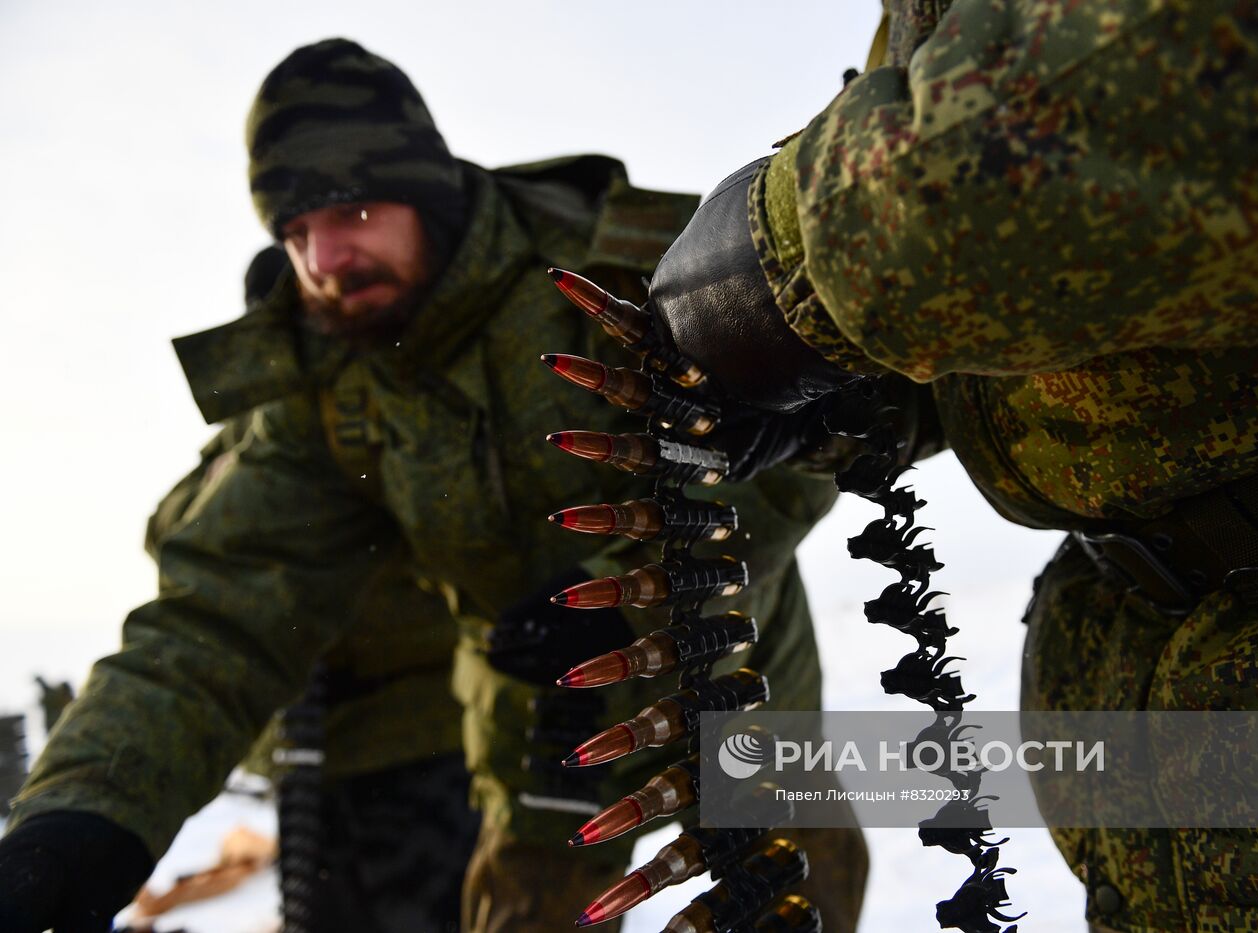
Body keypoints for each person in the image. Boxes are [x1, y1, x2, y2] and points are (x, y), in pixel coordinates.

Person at [0, 39, 868, 933]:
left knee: (796, 901)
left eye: (352, 211)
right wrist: (80, 817)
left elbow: (800, 432)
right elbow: (219, 614)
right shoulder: (326, 385)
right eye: (294, 234)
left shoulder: (627, 267)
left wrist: (628, 593)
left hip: (744, 693)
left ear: (426, 191)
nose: (324, 258)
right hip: (540, 744)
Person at [645, 1, 1258, 931]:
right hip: (1171, 728)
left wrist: (804, 247)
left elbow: (1227, 79)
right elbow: (1109, 293)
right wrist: (870, 400)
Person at [135, 245, 477, 932]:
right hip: (320, 752)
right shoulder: (262, 424)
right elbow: (174, 533)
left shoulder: (391, 399)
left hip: (427, 746)